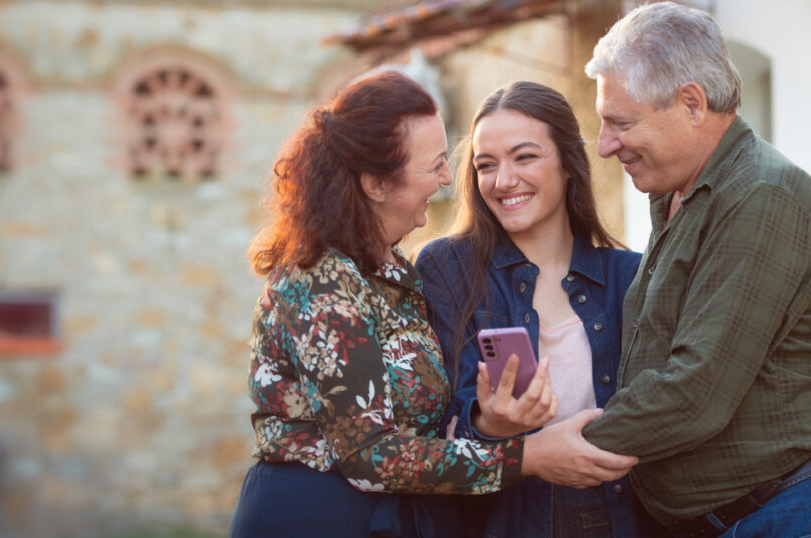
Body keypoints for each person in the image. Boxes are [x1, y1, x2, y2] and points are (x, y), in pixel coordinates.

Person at [229, 71, 638, 538]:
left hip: (400, 517)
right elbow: (369, 454)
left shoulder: (394, 277)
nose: (449, 178)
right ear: (377, 184)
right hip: (317, 515)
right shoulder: (320, 279)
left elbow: (432, 424)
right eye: (437, 164)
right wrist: (529, 456)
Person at [577, 2, 811, 537]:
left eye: (620, 122)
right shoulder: (680, 197)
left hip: (804, 512)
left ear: (690, 103)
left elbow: (696, 392)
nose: (606, 145)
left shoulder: (760, 195)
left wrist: (556, 449)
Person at [416, 81, 664, 537]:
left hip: (623, 517)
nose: (503, 181)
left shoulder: (631, 275)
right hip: (510, 520)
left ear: (569, 164)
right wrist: (490, 420)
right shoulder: (448, 266)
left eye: (525, 157)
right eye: (486, 165)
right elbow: (436, 428)